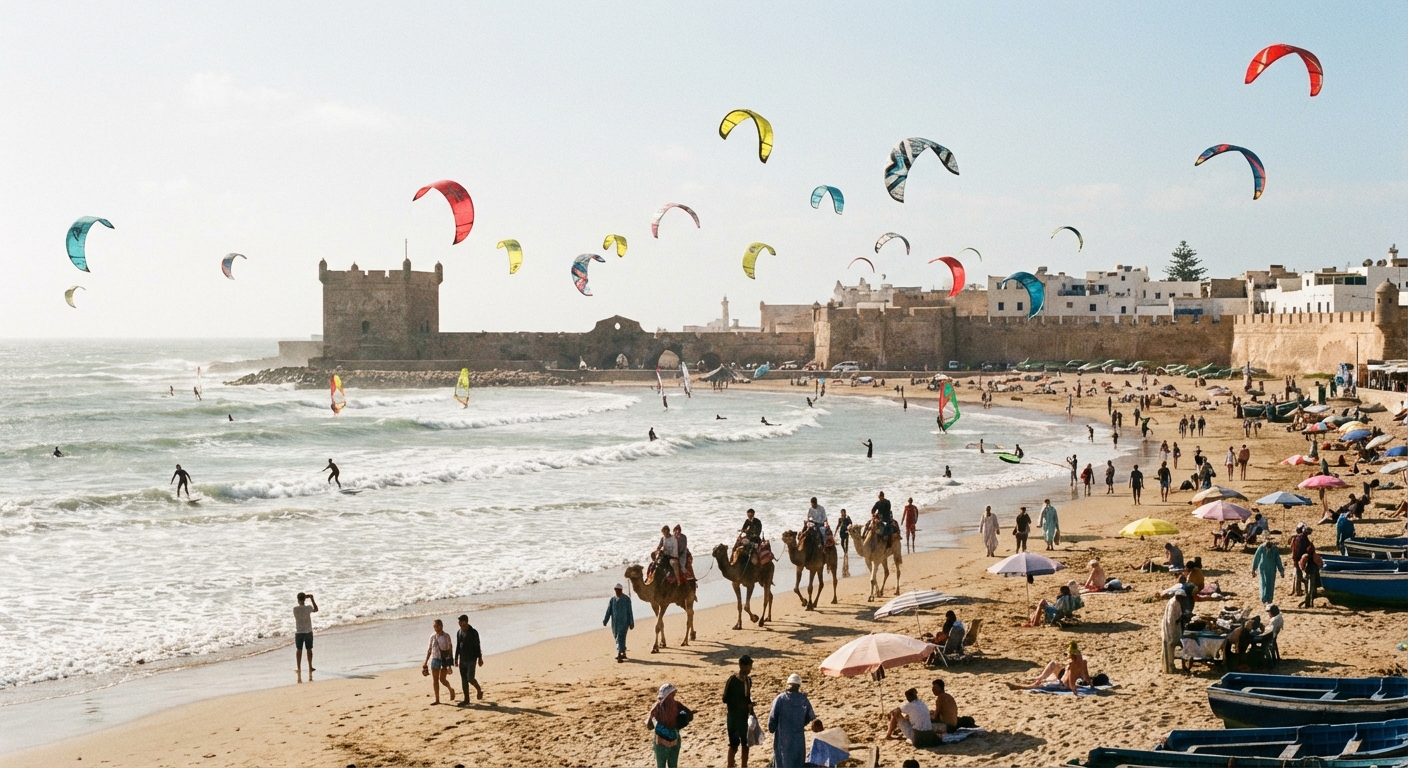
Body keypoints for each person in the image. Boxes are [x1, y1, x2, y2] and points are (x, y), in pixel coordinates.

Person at [769, 673, 817, 768]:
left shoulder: (780, 699)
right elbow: (810, 717)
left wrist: (772, 728)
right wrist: (801, 723)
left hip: (783, 738)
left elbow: (772, 718)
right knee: (797, 761)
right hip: (798, 738)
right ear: (799, 686)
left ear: (788, 684)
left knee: (783, 760)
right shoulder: (803, 699)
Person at [1005, 642, 1091, 693]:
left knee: (1037, 685)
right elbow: (1086, 677)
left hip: (1063, 684)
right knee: (1053, 665)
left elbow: (1072, 681)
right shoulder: (1083, 663)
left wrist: (1074, 690)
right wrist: (1092, 686)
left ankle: (1020, 686)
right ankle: (1040, 677)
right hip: (1062, 681)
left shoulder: (1073, 665)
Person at [647, 683, 690, 768]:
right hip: (674, 739)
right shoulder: (677, 705)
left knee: (660, 766)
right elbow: (689, 716)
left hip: (660, 742)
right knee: (673, 765)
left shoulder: (657, 707)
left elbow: (649, 726)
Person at [723, 656, 755, 768]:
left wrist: (750, 704)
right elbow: (725, 699)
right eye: (748, 666)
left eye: (750, 666)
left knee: (746, 744)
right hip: (733, 718)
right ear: (741, 665)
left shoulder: (748, 681)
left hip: (744, 717)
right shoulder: (732, 680)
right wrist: (742, 704)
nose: (749, 669)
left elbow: (747, 697)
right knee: (734, 745)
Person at [421, 619, 457, 704]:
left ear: (441, 626)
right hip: (435, 659)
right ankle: (437, 700)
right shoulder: (432, 636)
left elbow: (450, 649)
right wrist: (425, 662)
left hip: (444, 660)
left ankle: (450, 689)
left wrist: (450, 663)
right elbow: (429, 650)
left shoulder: (446, 636)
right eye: (434, 626)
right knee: (435, 681)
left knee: (442, 680)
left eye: (437, 626)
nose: (435, 628)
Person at [455, 614, 484, 702]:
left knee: (470, 678)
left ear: (466, 622)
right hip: (462, 659)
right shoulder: (459, 632)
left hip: (472, 658)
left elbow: (477, 646)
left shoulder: (474, 632)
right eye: (459, 622)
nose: (460, 623)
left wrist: (480, 658)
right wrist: (456, 658)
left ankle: (478, 689)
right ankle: (466, 699)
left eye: (461, 622)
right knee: (464, 679)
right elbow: (458, 646)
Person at [603, 583, 634, 661]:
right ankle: (623, 652)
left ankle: (619, 653)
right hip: (615, 623)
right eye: (616, 590)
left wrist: (631, 622)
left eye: (619, 590)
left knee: (620, 637)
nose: (618, 591)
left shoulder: (626, 599)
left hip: (624, 622)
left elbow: (630, 611)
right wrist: (605, 620)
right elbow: (609, 611)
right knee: (617, 637)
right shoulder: (612, 600)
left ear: (621, 590)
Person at [1160, 589, 1186, 673]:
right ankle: (1168, 669)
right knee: (1168, 648)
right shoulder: (1173, 603)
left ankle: (1171, 666)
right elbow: (1170, 619)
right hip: (1169, 627)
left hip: (1175, 626)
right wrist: (1179, 620)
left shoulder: (1177, 602)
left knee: (1172, 648)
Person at [294, 592, 318, 680]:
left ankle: (299, 668)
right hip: (308, 631)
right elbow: (316, 609)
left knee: (299, 650)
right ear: (305, 599)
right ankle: (310, 666)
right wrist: (312, 598)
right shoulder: (308, 608)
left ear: (298, 600)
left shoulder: (295, 609)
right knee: (309, 649)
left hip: (299, 632)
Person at [1252, 539, 1283, 606]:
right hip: (1263, 568)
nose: (1268, 550)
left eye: (1269, 549)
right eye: (1267, 548)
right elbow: (1257, 558)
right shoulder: (1261, 548)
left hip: (1272, 569)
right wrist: (1254, 569)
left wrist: (1281, 570)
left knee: (1271, 584)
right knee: (1264, 583)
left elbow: (1278, 560)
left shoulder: (1275, 549)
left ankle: (1269, 600)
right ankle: (1264, 599)